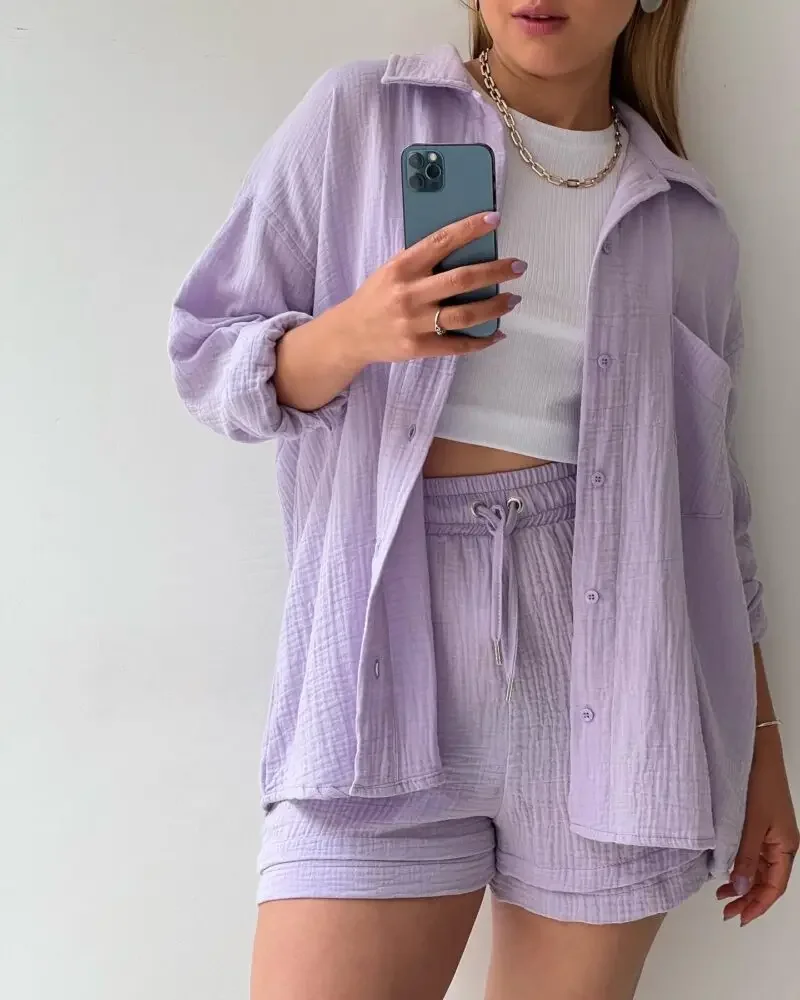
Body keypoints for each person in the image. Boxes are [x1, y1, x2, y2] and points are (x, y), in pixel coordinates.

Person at [169, 1, 799, 997]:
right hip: (379, 661)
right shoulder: (359, 117)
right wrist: (351, 333)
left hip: (616, 670)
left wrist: (762, 747)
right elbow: (206, 359)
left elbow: (712, 513)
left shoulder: (684, 218)